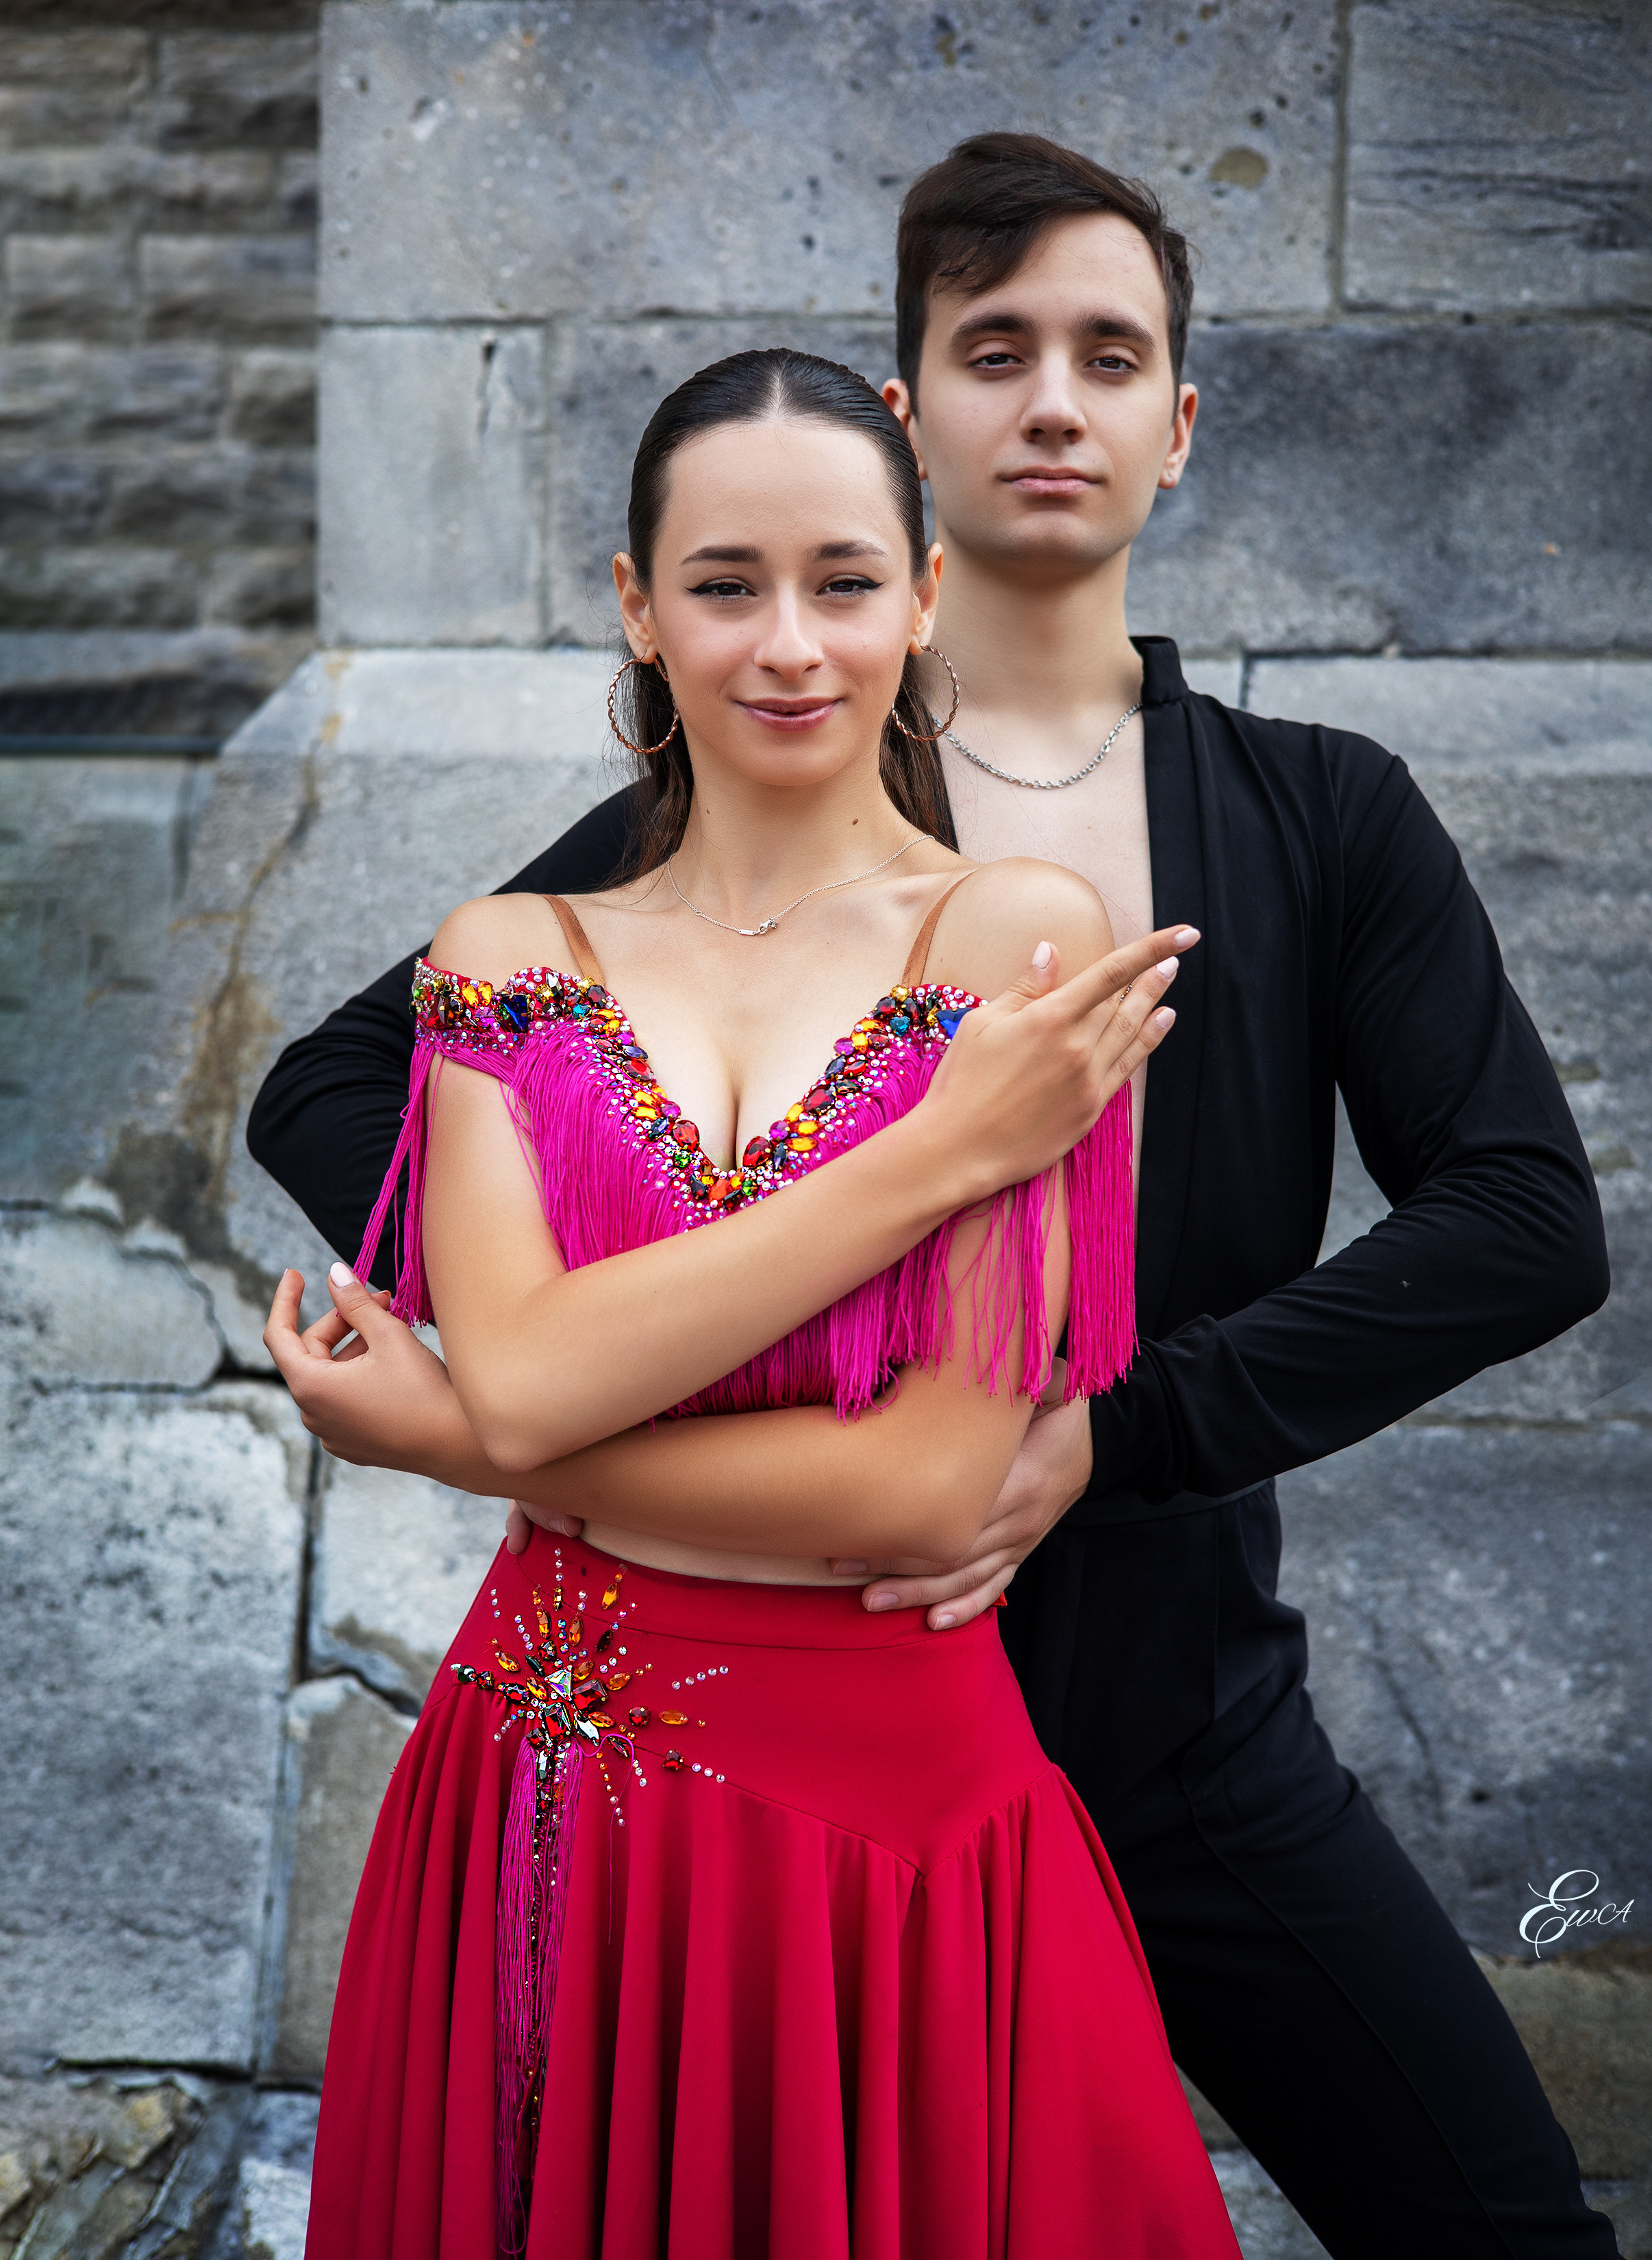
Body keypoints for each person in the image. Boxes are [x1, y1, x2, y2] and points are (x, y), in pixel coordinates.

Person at [259, 139, 1619, 2257]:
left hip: (1167, 1688)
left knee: (1502, 2221)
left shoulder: (1319, 811)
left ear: (1180, 425)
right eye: (996, 351)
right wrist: (634, 1346)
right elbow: (361, 1077)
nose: (1053, 401)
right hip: (734, 1677)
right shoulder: (744, 769)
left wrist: (1108, 1428)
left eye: (1111, 357)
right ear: (909, 419)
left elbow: (1530, 1217)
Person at [291, 347, 1238, 2257]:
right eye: (724, 584)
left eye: (841, 580)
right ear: (637, 607)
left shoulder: (1018, 939)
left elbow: (917, 1491)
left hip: (886, 1822)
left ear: (928, 593)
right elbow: (544, 1380)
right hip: (537, 1805)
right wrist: (936, 1157)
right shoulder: (509, 961)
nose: (788, 643)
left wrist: (463, 1439)